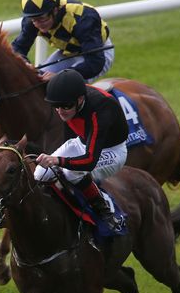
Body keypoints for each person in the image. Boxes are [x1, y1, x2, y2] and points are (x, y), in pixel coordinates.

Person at [33, 69, 128, 231]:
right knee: (40, 173)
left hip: (113, 151)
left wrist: (57, 160)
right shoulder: (71, 97)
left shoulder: (101, 108)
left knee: (71, 172)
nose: (60, 111)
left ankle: (104, 208)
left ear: (80, 99)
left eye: (66, 106)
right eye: (56, 106)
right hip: (81, 142)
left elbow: (90, 161)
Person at [11, 0, 114, 83]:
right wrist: (25, 64)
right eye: (33, 19)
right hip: (69, 52)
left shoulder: (82, 18)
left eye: (42, 19)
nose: (37, 24)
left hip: (99, 53)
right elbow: (18, 48)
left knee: (61, 87)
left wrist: (60, 77)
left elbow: (95, 63)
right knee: (39, 81)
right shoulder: (32, 21)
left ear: (55, 10)